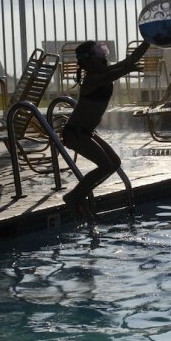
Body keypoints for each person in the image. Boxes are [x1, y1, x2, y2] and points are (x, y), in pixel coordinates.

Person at [62, 40, 149, 219]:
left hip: (86, 133)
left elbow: (131, 59)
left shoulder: (104, 72)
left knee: (114, 163)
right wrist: (126, 69)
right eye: (98, 55)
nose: (104, 59)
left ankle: (79, 195)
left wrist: (149, 40)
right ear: (87, 62)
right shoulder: (91, 80)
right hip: (75, 133)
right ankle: (74, 197)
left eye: (104, 55)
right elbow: (110, 76)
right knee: (105, 166)